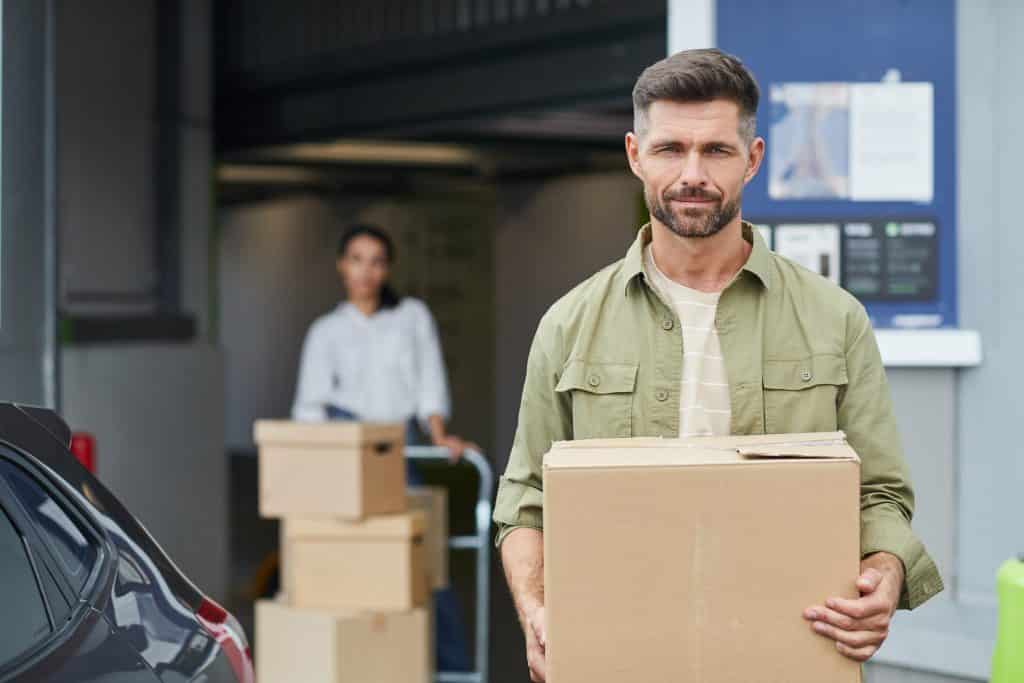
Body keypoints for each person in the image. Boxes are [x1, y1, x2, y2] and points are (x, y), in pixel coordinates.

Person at [493, 49, 943, 682]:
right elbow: (525, 503)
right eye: (671, 148)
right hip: (620, 659)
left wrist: (884, 574)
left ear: (753, 158)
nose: (692, 173)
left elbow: (880, 494)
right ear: (634, 155)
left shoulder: (833, 318)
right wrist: (537, 610)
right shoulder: (568, 327)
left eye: (717, 151)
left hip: (787, 656)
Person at [291, 223, 473, 671]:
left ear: (386, 268)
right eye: (356, 259)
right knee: (353, 567)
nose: (366, 271)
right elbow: (309, 408)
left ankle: (452, 671)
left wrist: (438, 434)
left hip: (399, 450)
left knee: (422, 566)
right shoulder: (326, 331)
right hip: (345, 452)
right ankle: (368, 665)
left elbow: (429, 380)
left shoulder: (411, 316)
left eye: (376, 261)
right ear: (341, 266)